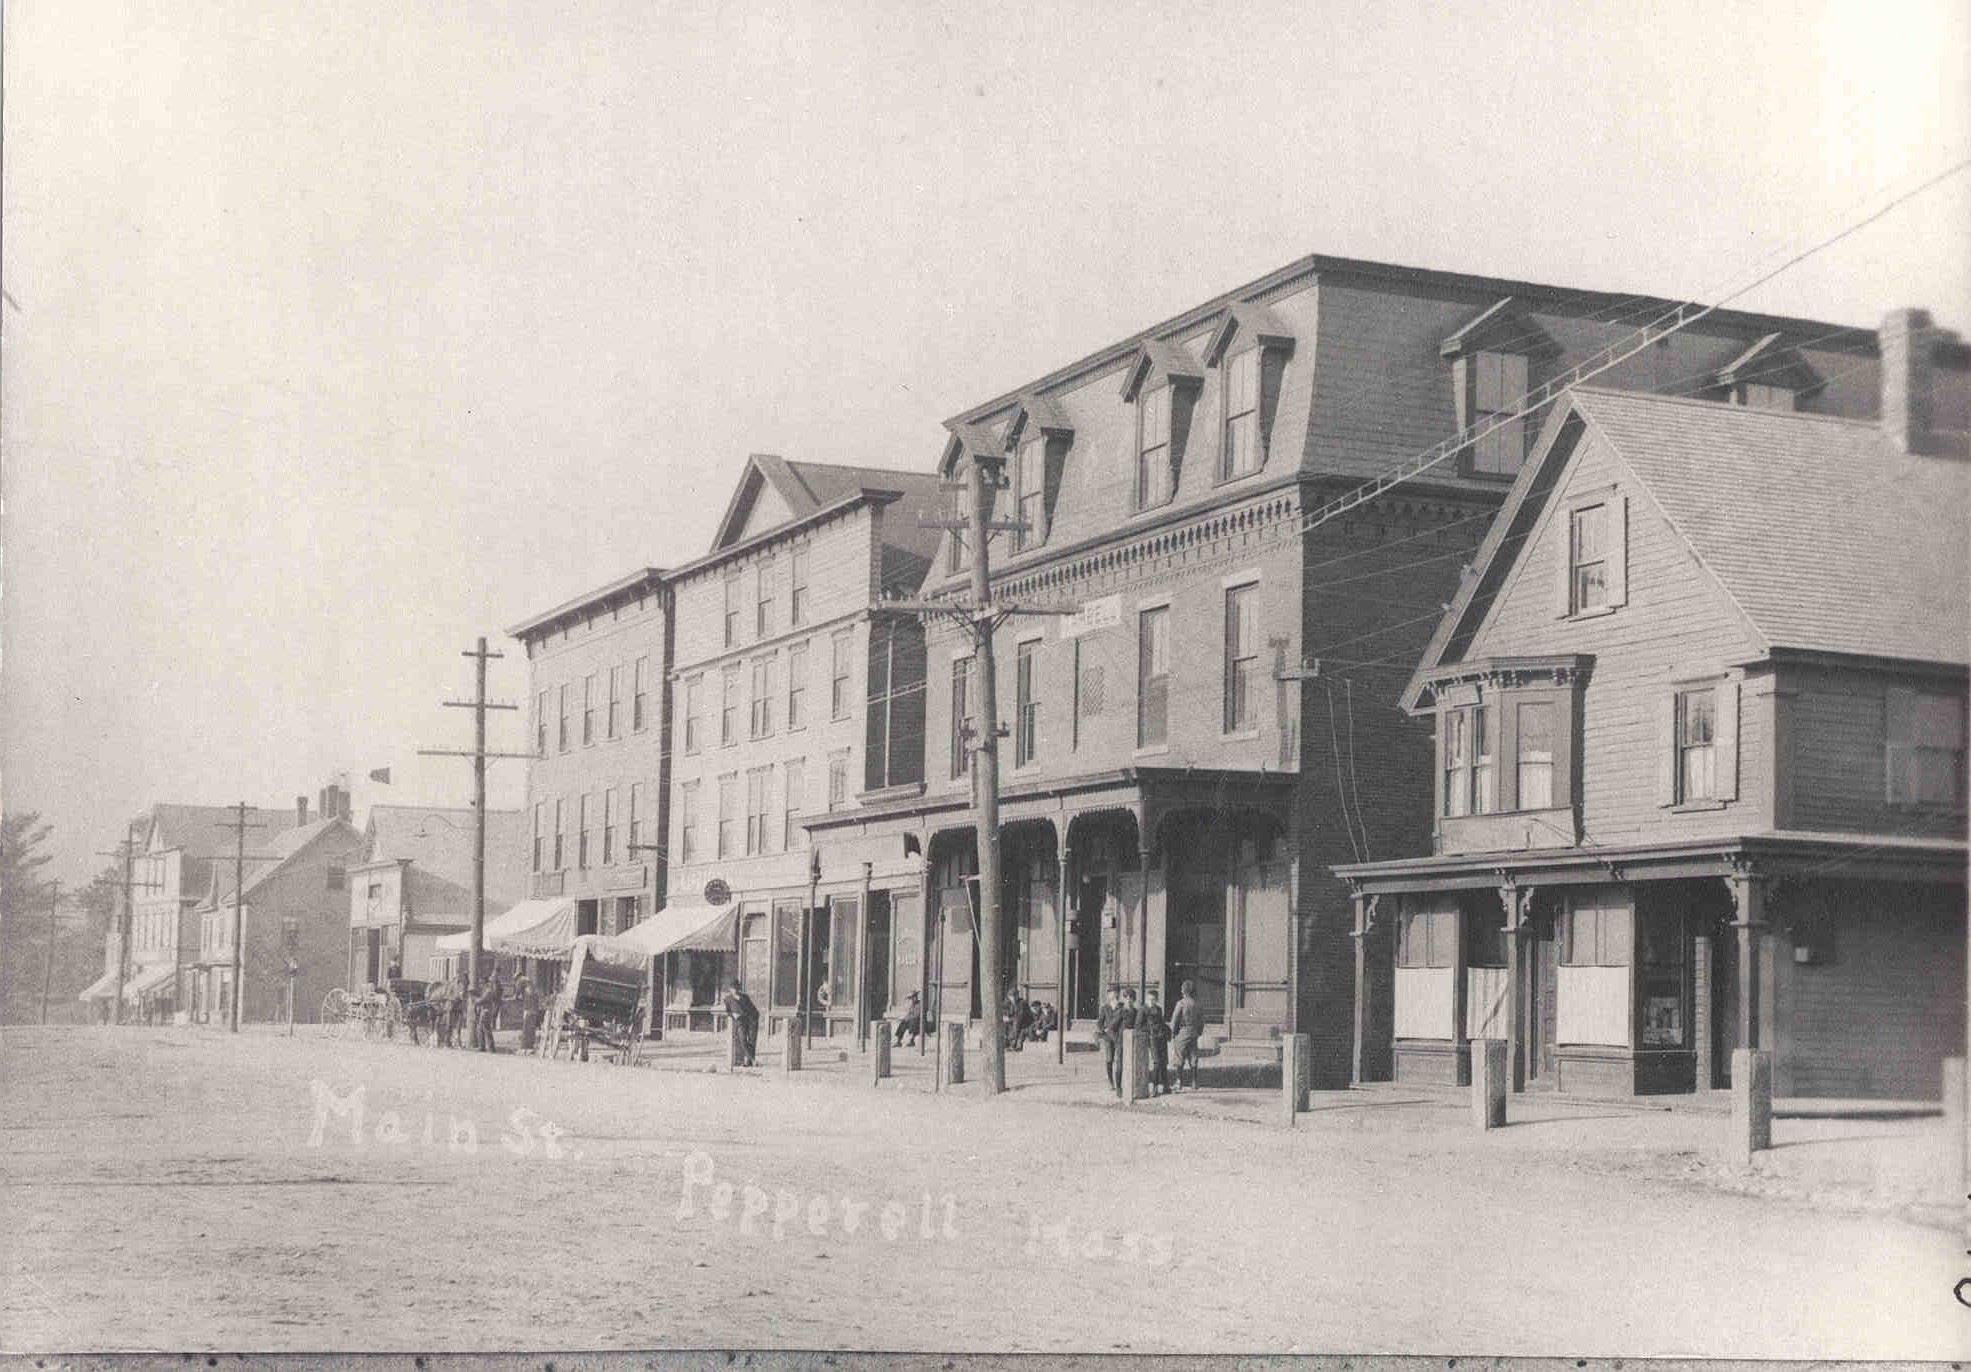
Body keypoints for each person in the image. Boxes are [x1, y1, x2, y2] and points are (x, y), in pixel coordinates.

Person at [1170, 977, 1205, 1091]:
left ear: (1184, 991)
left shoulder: (1181, 1004)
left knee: (1179, 1057)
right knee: (1193, 1057)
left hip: (1182, 1032)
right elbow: (1201, 1021)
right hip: (1193, 1032)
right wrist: (1198, 1032)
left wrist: (1173, 1033)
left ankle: (1179, 1082)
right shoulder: (1198, 1004)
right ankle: (1194, 1082)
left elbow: (1174, 1020)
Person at [722, 981, 760, 1066]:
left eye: (736, 988)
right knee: (742, 1039)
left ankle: (748, 1061)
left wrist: (740, 999)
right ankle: (752, 1059)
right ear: (730, 989)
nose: (735, 990)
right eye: (733, 988)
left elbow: (750, 1008)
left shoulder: (744, 997)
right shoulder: (727, 999)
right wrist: (733, 1015)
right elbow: (728, 1011)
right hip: (740, 1021)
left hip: (751, 1020)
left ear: (739, 988)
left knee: (752, 1041)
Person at [1096, 987, 1124, 1094]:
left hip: (1118, 1037)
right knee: (1109, 1059)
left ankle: (1118, 1084)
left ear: (1118, 994)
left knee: (1119, 1060)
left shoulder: (1122, 1007)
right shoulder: (1105, 1008)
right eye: (1110, 993)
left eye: (1114, 993)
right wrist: (1103, 1031)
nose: (1112, 995)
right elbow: (1099, 1022)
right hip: (1108, 1037)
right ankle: (1110, 1081)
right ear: (1108, 996)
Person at [1144, 988, 1172, 1094]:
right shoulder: (1144, 1010)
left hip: (1161, 1038)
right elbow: (1139, 1025)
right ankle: (1154, 1087)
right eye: (1150, 999)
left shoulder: (1159, 1009)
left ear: (1156, 1000)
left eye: (1153, 999)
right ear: (1147, 999)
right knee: (1157, 1062)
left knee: (1164, 1062)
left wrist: (1167, 1032)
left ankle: (1165, 1086)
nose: (1151, 1001)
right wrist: (1149, 1031)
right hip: (1152, 1038)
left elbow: (1162, 1022)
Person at [475, 971, 504, 1052]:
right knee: (480, 1029)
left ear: (485, 983)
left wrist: (476, 1000)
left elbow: (482, 1000)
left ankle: (491, 1047)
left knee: (486, 1029)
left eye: (482, 983)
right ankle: (482, 1046)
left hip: (486, 1011)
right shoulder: (485, 990)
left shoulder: (488, 991)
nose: (480, 985)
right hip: (484, 1011)